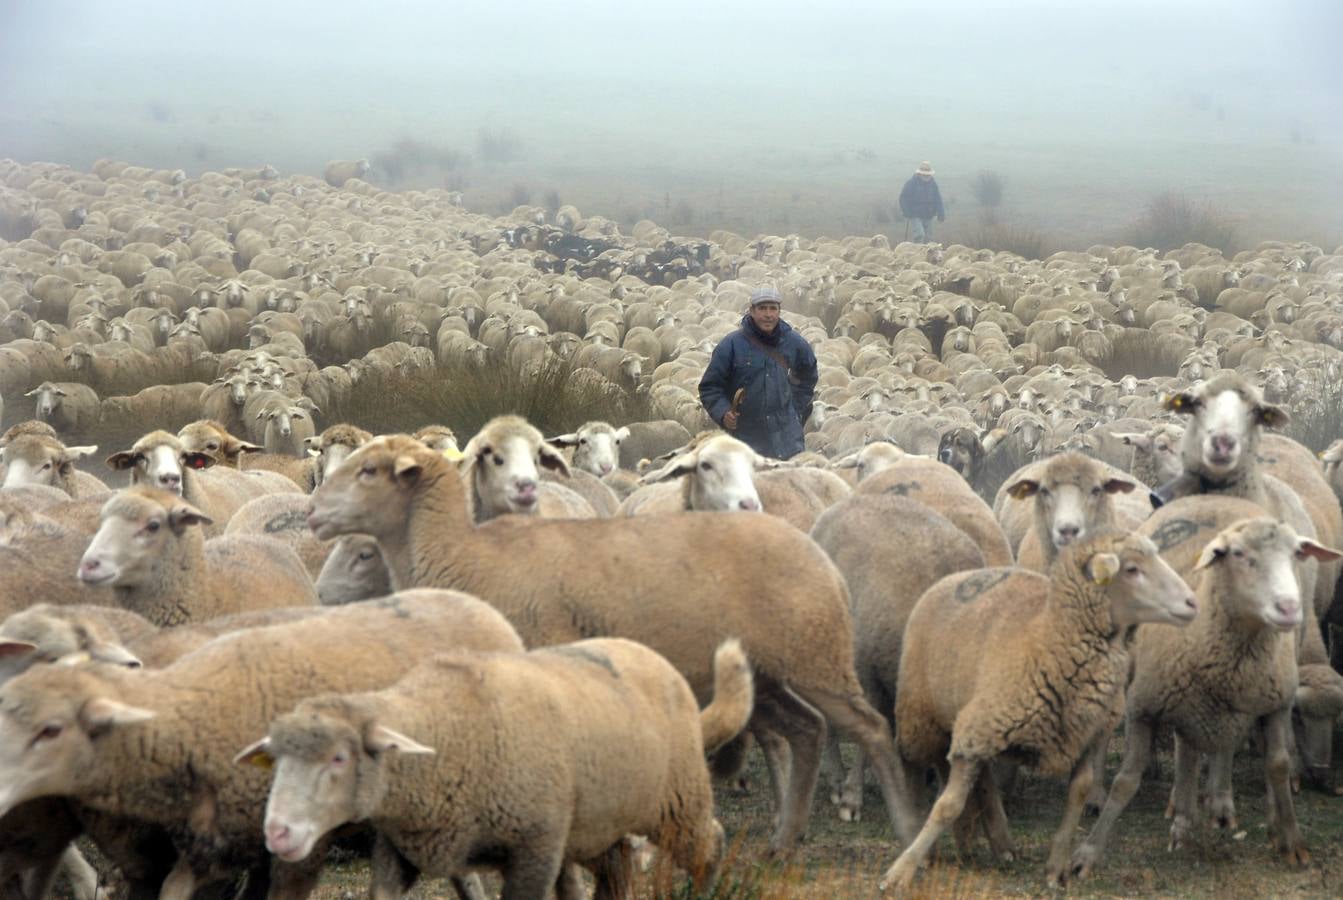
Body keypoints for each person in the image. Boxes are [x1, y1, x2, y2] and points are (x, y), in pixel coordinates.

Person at [698, 285, 818, 460]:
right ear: (752, 311)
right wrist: (724, 413)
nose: (768, 314)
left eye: (773, 309)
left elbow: (808, 376)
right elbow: (710, 387)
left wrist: (793, 408)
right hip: (746, 439)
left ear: (779, 311)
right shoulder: (731, 345)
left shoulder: (794, 343)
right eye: (762, 308)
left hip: (787, 440)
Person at [899, 160, 945, 244]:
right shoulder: (911, 183)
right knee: (919, 235)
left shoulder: (933, 184)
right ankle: (918, 255)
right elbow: (903, 198)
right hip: (915, 214)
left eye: (928, 175)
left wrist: (941, 213)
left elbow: (938, 199)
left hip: (929, 215)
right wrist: (907, 212)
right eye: (924, 174)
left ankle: (926, 256)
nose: (926, 177)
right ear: (920, 174)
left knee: (928, 238)